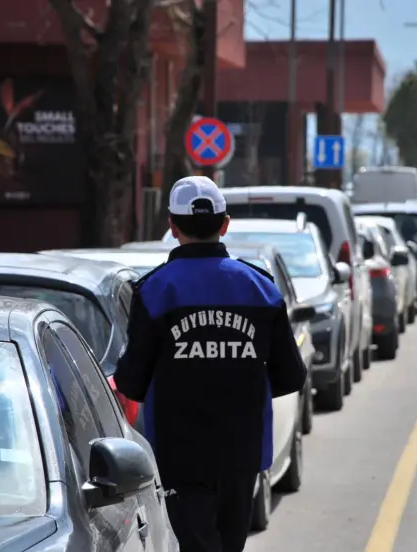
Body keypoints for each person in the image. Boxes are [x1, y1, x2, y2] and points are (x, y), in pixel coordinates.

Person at [113, 176, 307, 552]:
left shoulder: (156, 290)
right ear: (225, 224)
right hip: (242, 451)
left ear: (172, 226)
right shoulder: (261, 288)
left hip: (180, 455)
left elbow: (131, 381)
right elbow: (291, 375)